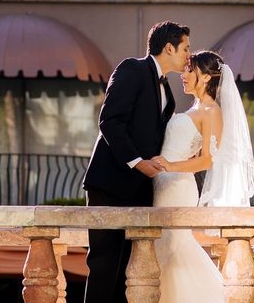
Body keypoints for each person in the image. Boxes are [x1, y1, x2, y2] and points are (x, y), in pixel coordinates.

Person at [82, 21, 191, 303]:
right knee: (104, 265)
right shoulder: (132, 68)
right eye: (186, 48)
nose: (189, 55)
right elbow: (109, 121)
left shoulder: (168, 90)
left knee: (127, 273)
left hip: (141, 191)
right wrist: (137, 161)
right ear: (169, 48)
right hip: (109, 184)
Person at [150, 50, 254, 303]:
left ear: (207, 77)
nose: (183, 75)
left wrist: (170, 166)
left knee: (173, 249)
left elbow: (209, 159)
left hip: (177, 186)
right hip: (162, 182)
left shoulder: (212, 111)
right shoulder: (195, 108)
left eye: (190, 70)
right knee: (160, 251)